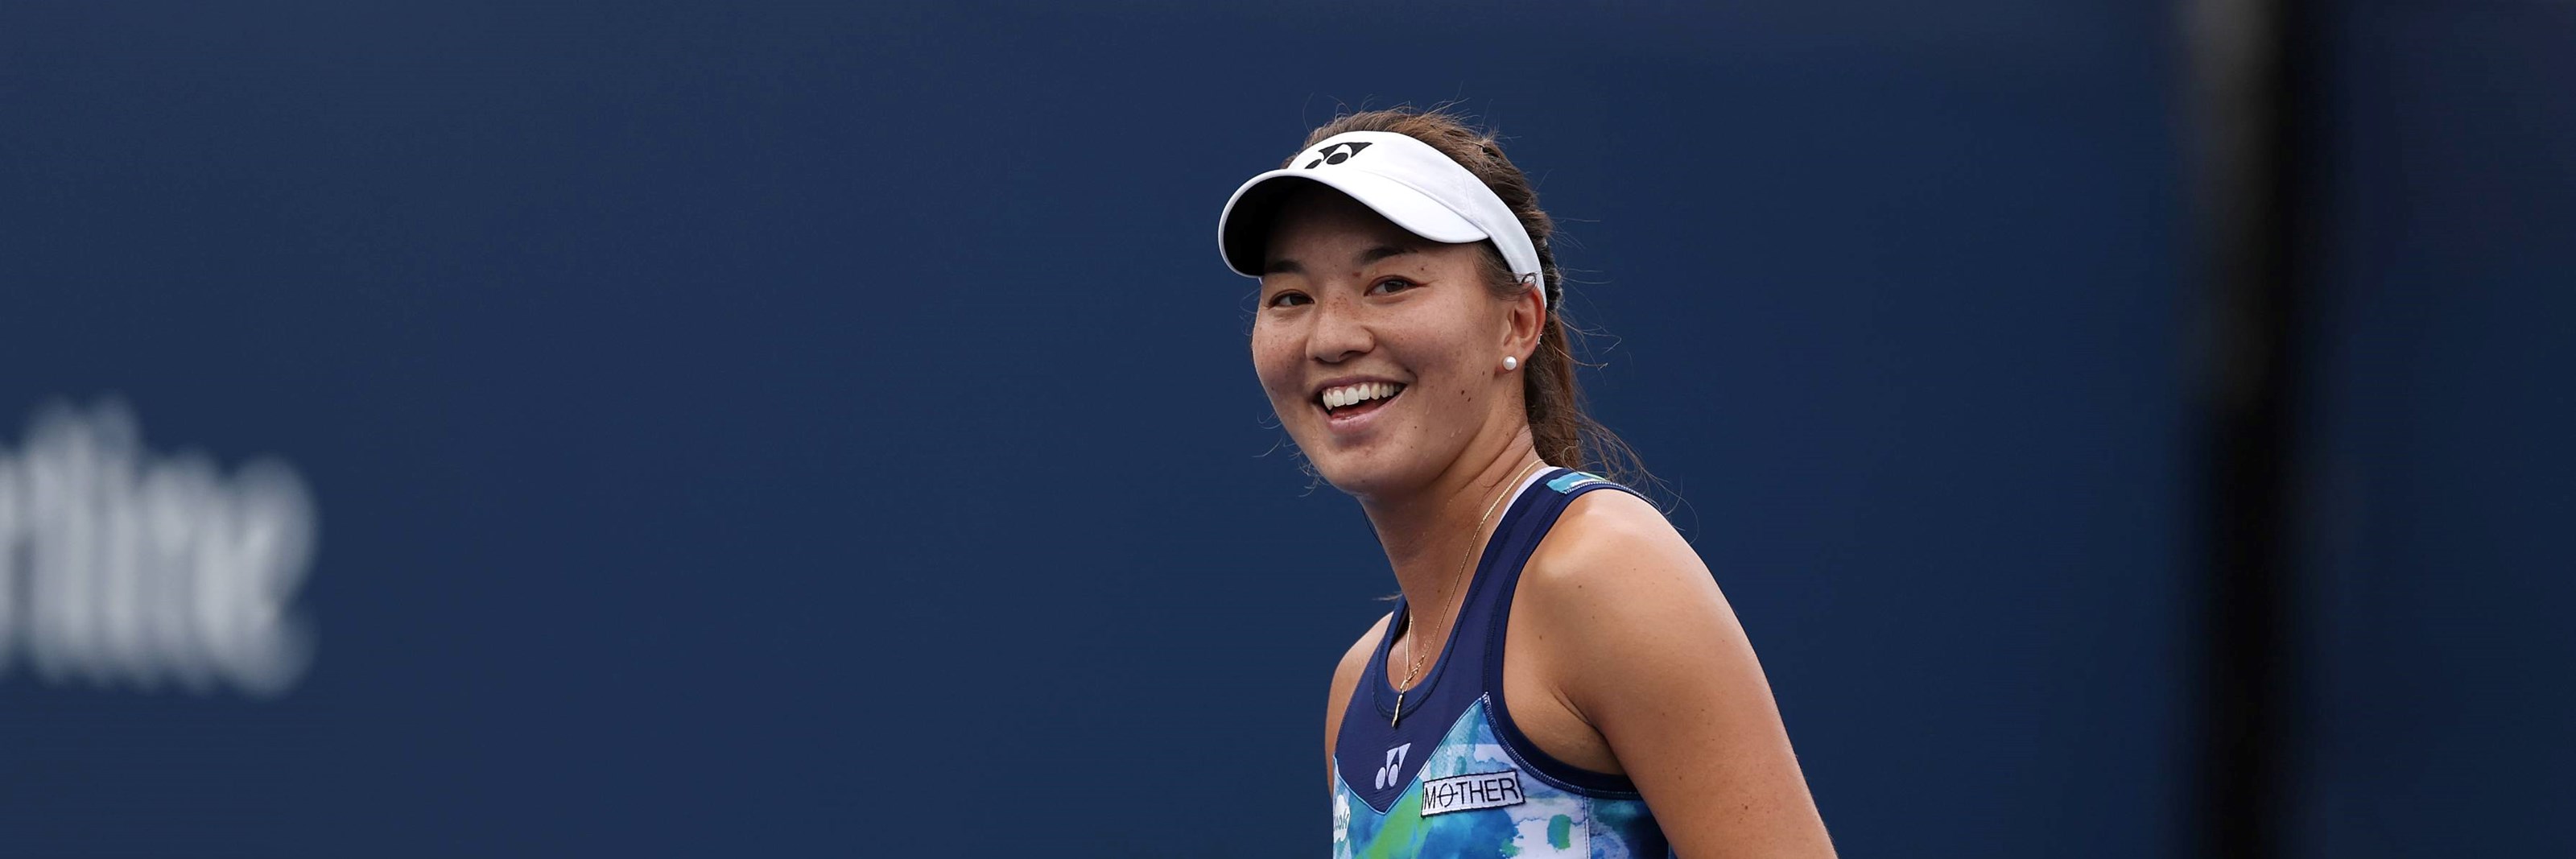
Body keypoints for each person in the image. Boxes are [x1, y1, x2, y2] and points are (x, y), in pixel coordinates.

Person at [1216, 108, 1836, 857]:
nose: (1333, 336)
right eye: (1291, 297)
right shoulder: (1358, 687)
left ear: (1518, 322)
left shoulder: (1603, 568)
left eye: (1390, 283)